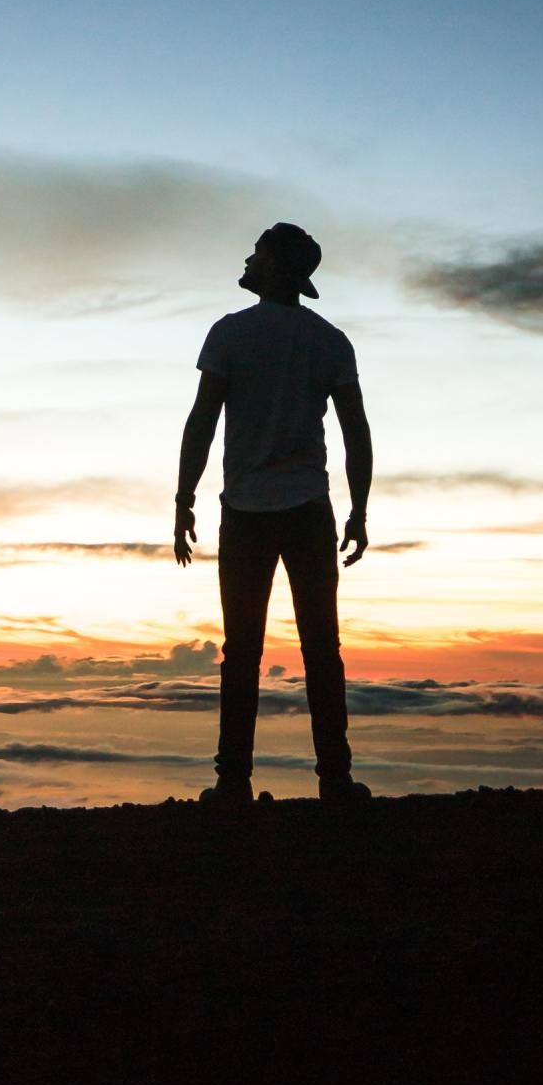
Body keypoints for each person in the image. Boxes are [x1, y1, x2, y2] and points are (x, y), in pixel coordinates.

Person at [174, 222, 372, 812]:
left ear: (277, 268)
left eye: (257, 253)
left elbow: (202, 420)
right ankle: (334, 781)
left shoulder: (229, 334)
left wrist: (183, 497)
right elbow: (355, 431)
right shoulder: (330, 340)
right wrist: (359, 509)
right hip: (311, 509)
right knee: (321, 649)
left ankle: (232, 783)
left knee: (241, 651)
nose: (247, 259)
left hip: (246, 513)